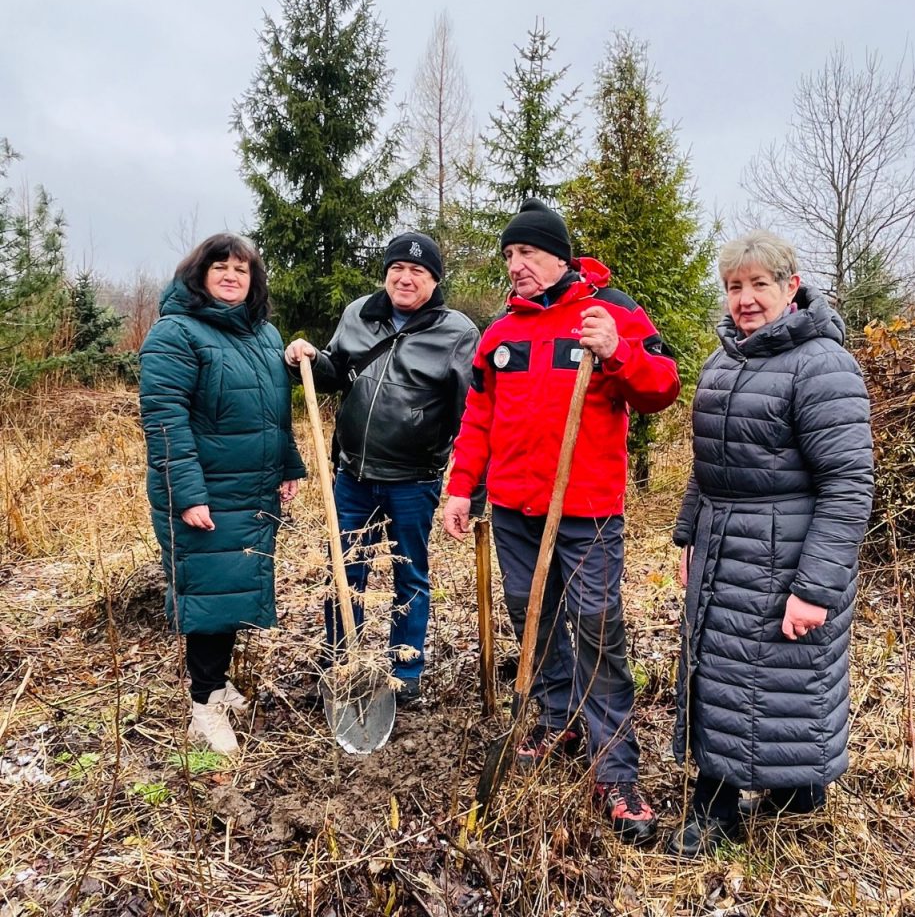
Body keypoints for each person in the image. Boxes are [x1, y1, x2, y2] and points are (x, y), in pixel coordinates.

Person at [442, 198, 680, 846]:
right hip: (516, 511)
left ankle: (616, 769)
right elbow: (478, 420)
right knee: (532, 614)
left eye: (526, 253)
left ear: (558, 256)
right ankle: (557, 717)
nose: (515, 265)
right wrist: (461, 489)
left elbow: (662, 386)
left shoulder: (612, 312)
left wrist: (615, 354)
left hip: (588, 511)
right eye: (509, 255)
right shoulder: (499, 334)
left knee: (599, 630)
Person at [667, 230, 874, 858]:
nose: (746, 299)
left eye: (759, 284)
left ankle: (719, 806)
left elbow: (848, 483)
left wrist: (814, 587)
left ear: (791, 285)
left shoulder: (822, 363)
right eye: (735, 287)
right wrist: (686, 536)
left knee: (773, 675)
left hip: (787, 552)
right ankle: (791, 788)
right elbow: (708, 466)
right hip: (725, 543)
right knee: (728, 675)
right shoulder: (724, 358)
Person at [284, 232, 478, 707]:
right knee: (344, 571)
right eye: (397, 268)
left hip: (414, 480)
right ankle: (338, 663)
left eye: (418, 271)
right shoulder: (358, 314)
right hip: (352, 476)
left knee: (408, 575)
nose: (405, 277)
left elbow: (471, 410)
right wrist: (306, 360)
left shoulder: (457, 333)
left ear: (434, 280)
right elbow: (335, 372)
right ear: (387, 272)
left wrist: (468, 481)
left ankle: (404, 672)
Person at [139, 233, 306, 755]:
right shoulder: (176, 333)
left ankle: (217, 683)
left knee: (233, 588)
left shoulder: (262, 335)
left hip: (250, 489)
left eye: (243, 269)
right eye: (221, 268)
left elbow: (273, 413)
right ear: (200, 274)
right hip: (204, 491)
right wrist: (188, 494)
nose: (233, 276)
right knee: (212, 592)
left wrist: (288, 464)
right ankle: (203, 705)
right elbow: (164, 422)